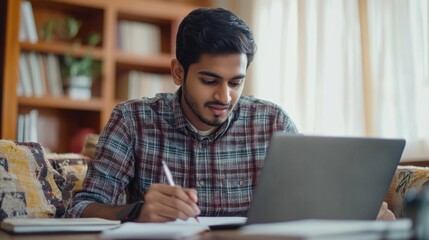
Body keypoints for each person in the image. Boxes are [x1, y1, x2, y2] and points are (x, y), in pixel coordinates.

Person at [66, 7, 395, 222]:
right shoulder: (133, 120)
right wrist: (136, 212)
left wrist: (360, 214)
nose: (224, 96)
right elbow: (79, 209)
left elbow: (310, 205)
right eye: (209, 81)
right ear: (178, 72)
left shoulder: (272, 123)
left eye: (236, 82)